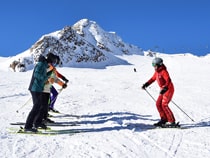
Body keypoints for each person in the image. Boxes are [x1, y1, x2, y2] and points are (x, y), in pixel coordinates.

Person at [24, 53, 58, 132]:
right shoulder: (41, 64)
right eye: (53, 61)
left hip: (38, 88)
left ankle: (37, 122)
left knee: (41, 106)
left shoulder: (44, 64)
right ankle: (28, 126)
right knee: (36, 107)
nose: (52, 63)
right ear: (50, 59)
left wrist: (50, 73)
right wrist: (46, 77)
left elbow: (44, 75)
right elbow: (37, 75)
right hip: (34, 88)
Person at [141, 57, 176, 127]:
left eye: (155, 65)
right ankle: (164, 119)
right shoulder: (157, 72)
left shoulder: (164, 71)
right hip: (163, 90)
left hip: (168, 89)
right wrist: (146, 84)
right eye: (153, 65)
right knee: (158, 104)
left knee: (164, 105)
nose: (154, 67)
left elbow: (168, 80)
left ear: (159, 65)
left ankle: (172, 121)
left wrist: (165, 88)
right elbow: (152, 79)